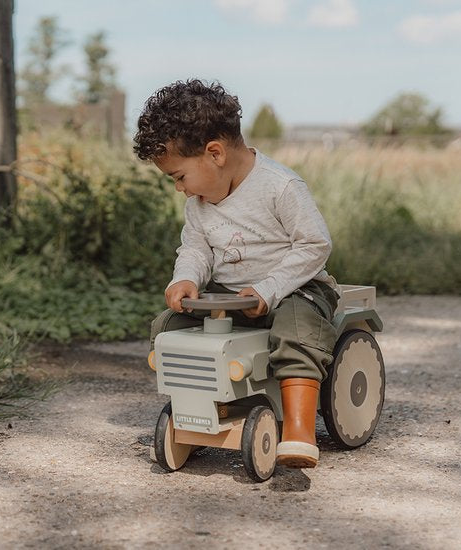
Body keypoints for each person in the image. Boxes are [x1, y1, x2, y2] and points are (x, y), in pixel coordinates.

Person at [133, 79, 339, 468]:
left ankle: (297, 428)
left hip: (295, 288)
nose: (180, 189)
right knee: (168, 327)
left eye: (179, 176)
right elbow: (196, 247)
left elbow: (314, 245)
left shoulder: (280, 186)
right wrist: (187, 278)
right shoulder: (199, 202)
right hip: (226, 295)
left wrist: (268, 288)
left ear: (215, 153)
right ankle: (199, 414)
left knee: (297, 329)